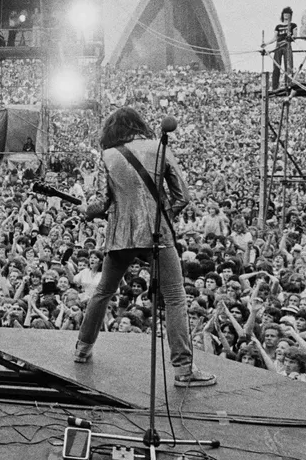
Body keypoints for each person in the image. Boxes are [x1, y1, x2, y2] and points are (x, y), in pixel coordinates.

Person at [73, 107, 217, 387]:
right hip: (156, 236)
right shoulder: (159, 148)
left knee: (103, 291)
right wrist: (162, 217)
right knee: (175, 296)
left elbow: (103, 203)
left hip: (119, 237)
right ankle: (184, 370)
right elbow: (182, 197)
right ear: (139, 124)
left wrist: (87, 211)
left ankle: (82, 349)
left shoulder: (109, 156)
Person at [271, 7, 296, 89]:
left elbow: (295, 36)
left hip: (287, 46)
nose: (286, 16)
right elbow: (275, 37)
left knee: (288, 66)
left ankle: (288, 84)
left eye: (288, 14)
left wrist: (291, 37)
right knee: (276, 66)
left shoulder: (293, 25)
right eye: (284, 14)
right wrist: (266, 43)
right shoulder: (278, 26)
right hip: (278, 46)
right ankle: (274, 86)